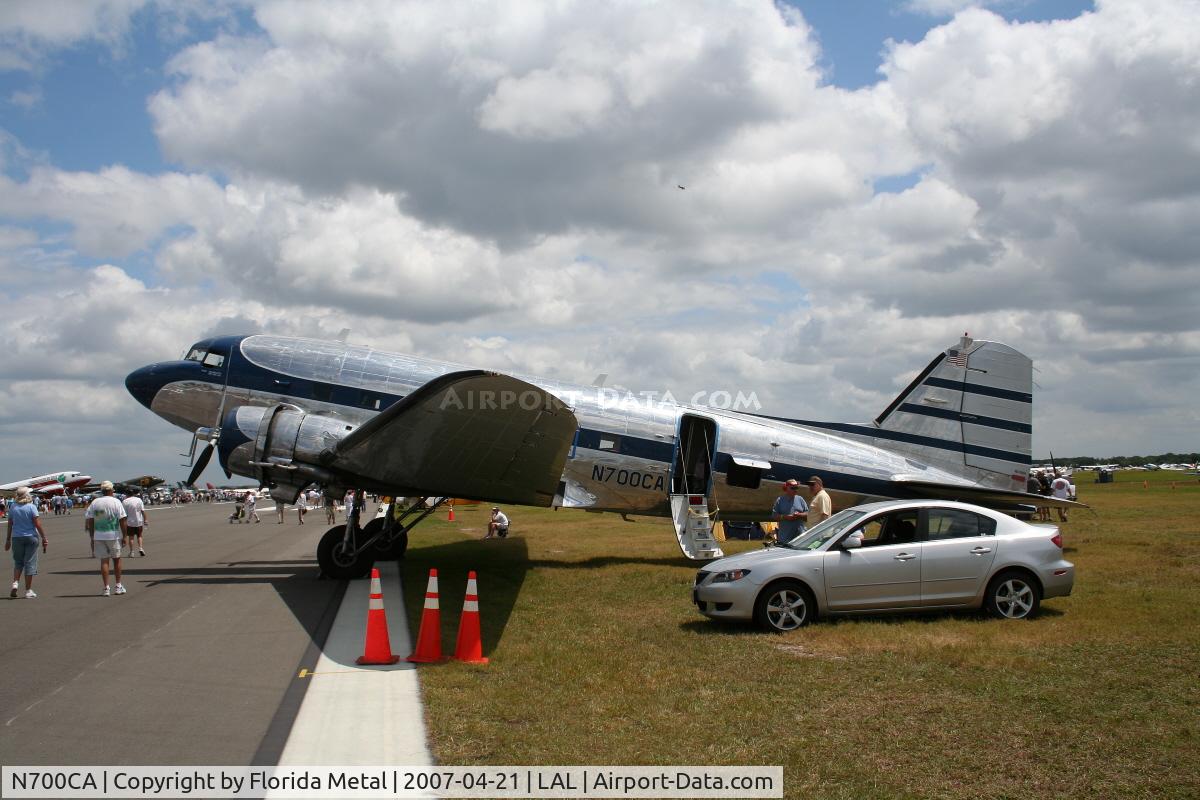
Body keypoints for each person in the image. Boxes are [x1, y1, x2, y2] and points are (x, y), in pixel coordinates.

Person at [86, 481, 128, 596]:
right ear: (111, 490)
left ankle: (106, 588)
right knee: (117, 559)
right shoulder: (116, 502)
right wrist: (125, 536)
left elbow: (91, 520)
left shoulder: (95, 502)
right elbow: (122, 520)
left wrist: (92, 536)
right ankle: (118, 586)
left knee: (104, 561)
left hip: (99, 535)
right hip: (113, 534)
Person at [6, 487, 47, 599]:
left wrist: (8, 539)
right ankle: (28, 590)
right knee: (30, 563)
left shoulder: (13, 507)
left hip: (16, 537)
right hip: (31, 537)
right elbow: (37, 524)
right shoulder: (31, 507)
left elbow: (10, 524)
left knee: (18, 562)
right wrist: (44, 537)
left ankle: (15, 583)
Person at [770, 479, 809, 545]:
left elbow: (808, 513)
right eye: (793, 488)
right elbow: (774, 516)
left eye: (796, 488)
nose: (795, 490)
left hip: (800, 537)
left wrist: (799, 515)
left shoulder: (800, 499)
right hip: (784, 538)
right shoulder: (780, 500)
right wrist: (785, 517)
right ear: (786, 488)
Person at [122, 492, 148, 557]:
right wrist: (145, 520)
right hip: (139, 521)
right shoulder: (139, 500)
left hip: (130, 522)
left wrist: (123, 522)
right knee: (139, 536)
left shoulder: (125, 501)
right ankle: (141, 548)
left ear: (127, 494)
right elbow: (143, 511)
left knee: (131, 537)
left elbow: (124, 514)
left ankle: (132, 552)